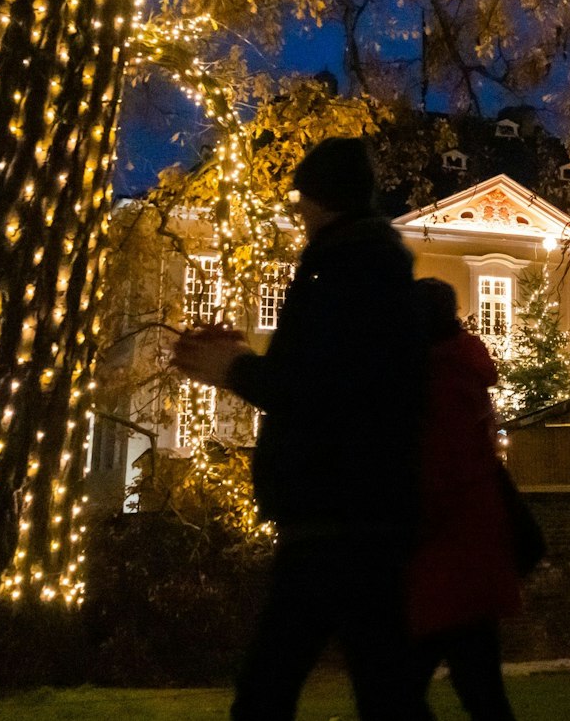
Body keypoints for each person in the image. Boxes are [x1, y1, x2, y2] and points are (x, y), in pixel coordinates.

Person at [173, 137, 429, 720]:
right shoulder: (373, 266)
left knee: (268, 693)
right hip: (368, 513)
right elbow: (336, 380)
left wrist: (233, 368)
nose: (297, 210)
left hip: (332, 515)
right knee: (386, 694)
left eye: (300, 197)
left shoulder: (340, 269)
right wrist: (246, 360)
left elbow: (316, 391)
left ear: (318, 199)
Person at [406, 279, 520, 721]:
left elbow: (440, 471)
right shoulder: (461, 371)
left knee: (397, 690)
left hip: (447, 560)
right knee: (480, 690)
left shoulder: (440, 377)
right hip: (471, 555)